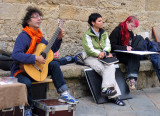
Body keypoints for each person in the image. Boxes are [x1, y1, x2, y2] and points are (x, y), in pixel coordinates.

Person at [11, 7, 78, 115]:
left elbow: (51, 51)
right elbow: (15, 55)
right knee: (26, 83)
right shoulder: (23, 36)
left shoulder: (39, 37)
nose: (39, 19)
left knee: (54, 64)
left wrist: (59, 39)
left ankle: (64, 92)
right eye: (35, 17)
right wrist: (35, 58)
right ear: (28, 21)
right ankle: (28, 108)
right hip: (21, 70)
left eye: (40, 16)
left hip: (36, 69)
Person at [82, 13, 125, 106]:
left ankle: (105, 89)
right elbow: (89, 49)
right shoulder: (87, 35)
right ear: (93, 23)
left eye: (102, 20)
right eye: (99, 21)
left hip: (103, 56)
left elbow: (108, 45)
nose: (102, 22)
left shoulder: (104, 33)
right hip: (90, 57)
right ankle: (116, 97)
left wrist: (105, 53)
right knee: (104, 70)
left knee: (111, 66)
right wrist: (100, 53)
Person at [109, 16, 140, 90]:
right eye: (131, 25)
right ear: (127, 22)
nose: (132, 28)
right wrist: (125, 48)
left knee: (135, 56)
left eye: (134, 27)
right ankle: (132, 79)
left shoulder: (131, 33)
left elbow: (130, 45)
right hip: (116, 54)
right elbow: (112, 46)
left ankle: (131, 79)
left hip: (125, 54)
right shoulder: (116, 31)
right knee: (134, 58)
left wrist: (131, 49)